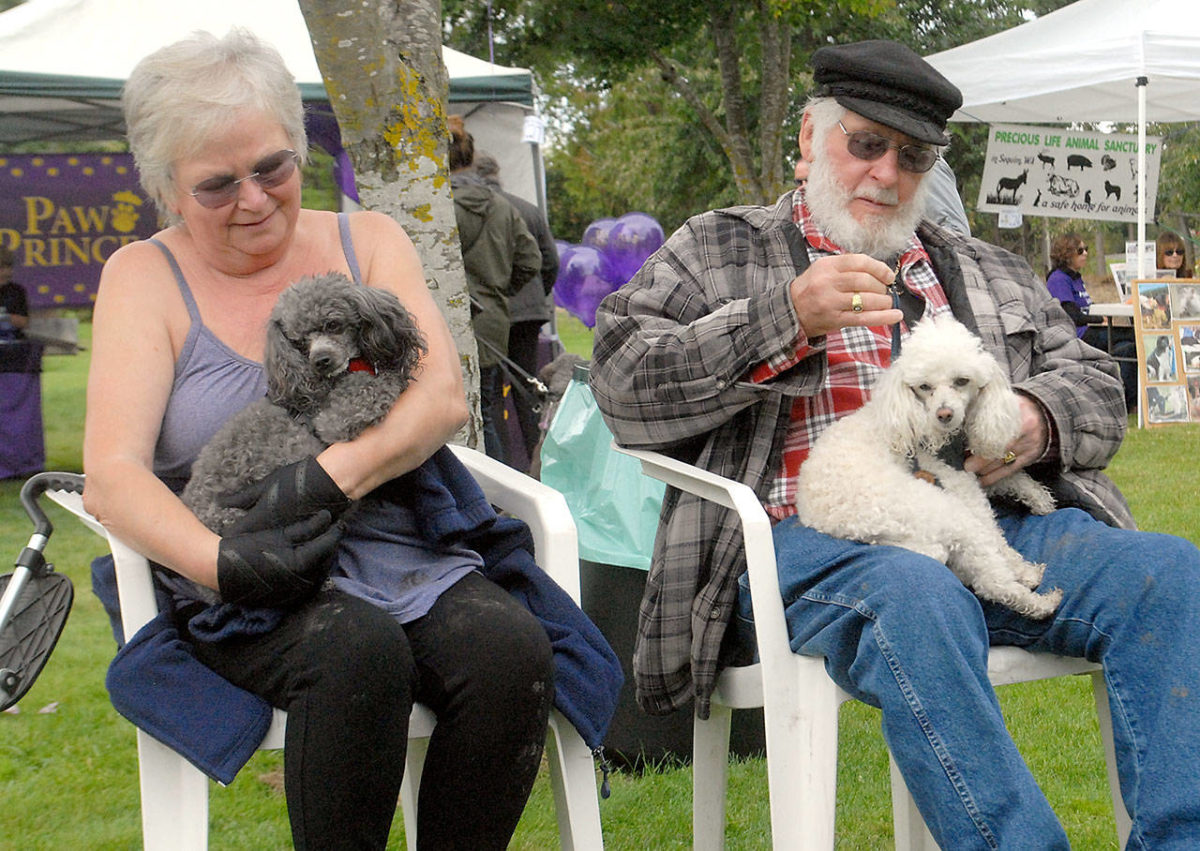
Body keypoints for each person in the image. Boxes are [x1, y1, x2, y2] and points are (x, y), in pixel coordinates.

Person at [590, 38, 1200, 848]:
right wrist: (785, 318)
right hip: (802, 543)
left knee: (1170, 576)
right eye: (865, 142)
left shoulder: (979, 267)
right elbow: (622, 382)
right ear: (810, 139)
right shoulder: (719, 247)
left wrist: (1032, 419)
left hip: (983, 519)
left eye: (912, 156)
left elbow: (1095, 386)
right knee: (918, 592)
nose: (885, 172)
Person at [82, 30, 558, 850]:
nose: (255, 199)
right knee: (356, 653)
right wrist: (223, 564)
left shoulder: (365, 241)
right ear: (167, 189)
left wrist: (323, 482)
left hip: (396, 544)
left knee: (510, 650)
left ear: (301, 149)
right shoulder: (141, 277)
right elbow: (111, 477)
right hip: (236, 563)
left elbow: (440, 395)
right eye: (216, 185)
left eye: (273, 167)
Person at [448, 118, 541, 465]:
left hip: (446, 323)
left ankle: (490, 501)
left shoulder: (433, 211)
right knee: (487, 411)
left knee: (469, 415)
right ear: (470, 158)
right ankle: (499, 498)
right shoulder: (503, 206)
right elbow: (531, 260)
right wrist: (499, 290)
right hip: (493, 321)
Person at [474, 152, 560, 469]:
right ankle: (540, 463)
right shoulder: (527, 208)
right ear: (498, 173)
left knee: (493, 393)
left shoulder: (473, 208)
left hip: (489, 310)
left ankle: (508, 470)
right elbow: (549, 260)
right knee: (528, 390)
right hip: (530, 308)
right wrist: (538, 294)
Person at [1046, 233, 1138, 410]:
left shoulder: (1076, 278)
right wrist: (1099, 319)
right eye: (1080, 250)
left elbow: (1088, 307)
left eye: (1086, 249)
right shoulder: (1058, 279)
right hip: (1079, 335)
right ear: (1066, 254)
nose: (1085, 254)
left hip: (1090, 329)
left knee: (1129, 347)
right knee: (1132, 336)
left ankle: (1129, 401)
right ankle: (1129, 401)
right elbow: (1071, 315)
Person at [0, 245, 30, 339]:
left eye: (8, 268)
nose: (5, 273)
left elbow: (24, 322)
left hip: (12, 343)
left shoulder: (17, 291)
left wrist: (5, 318)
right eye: (1, 269)